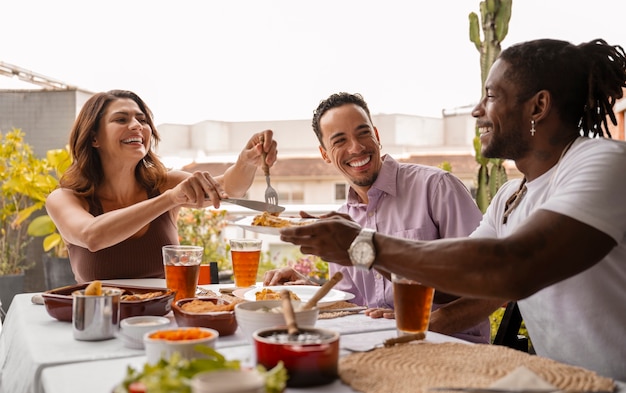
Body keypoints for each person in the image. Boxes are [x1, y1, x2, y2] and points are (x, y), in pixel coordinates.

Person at [280, 39, 626, 381]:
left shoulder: (604, 163)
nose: (477, 110)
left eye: (490, 96)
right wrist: (357, 261)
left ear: (538, 107)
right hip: (569, 382)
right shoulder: (509, 197)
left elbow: (513, 267)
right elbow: (463, 281)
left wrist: (365, 245)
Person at [265, 92, 503, 344]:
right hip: (380, 346)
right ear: (325, 154)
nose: (356, 148)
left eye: (363, 133)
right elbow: (355, 305)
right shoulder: (342, 222)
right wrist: (309, 287)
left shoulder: (436, 187)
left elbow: (493, 286)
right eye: (340, 140)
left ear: (377, 136)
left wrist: (424, 325)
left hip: (453, 346)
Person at [45, 89, 277, 283]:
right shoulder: (65, 198)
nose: (137, 125)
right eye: (121, 119)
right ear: (94, 137)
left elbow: (227, 188)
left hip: (163, 320)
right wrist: (169, 199)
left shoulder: (164, 183)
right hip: (101, 323)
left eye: (142, 119)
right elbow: (91, 236)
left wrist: (246, 162)